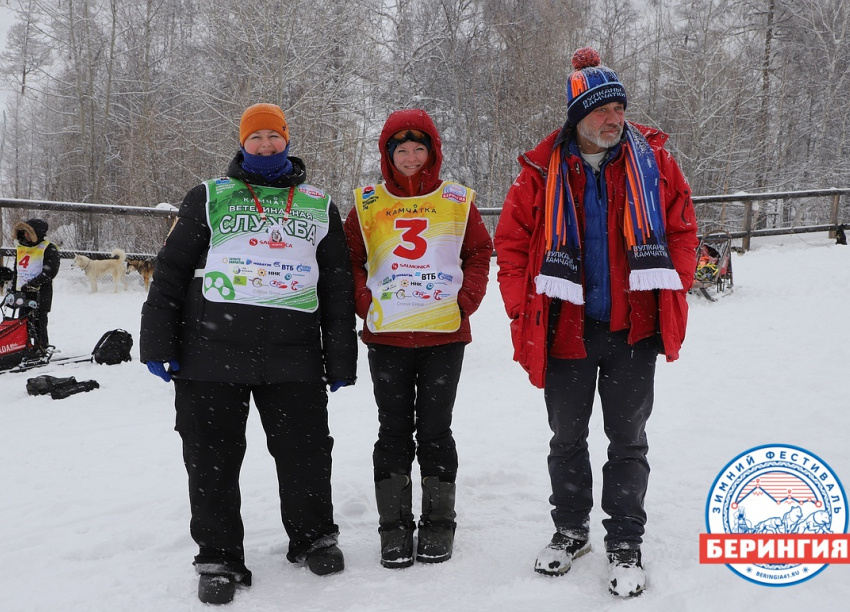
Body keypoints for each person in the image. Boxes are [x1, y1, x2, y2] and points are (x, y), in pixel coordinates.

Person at [493, 48, 698, 598]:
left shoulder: (653, 163)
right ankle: (570, 529)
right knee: (566, 438)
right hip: (565, 330)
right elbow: (510, 247)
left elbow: (682, 227)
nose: (614, 119)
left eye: (620, 108)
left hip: (633, 329)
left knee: (627, 439)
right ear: (577, 116)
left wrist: (673, 278)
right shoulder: (541, 172)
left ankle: (625, 539)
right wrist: (520, 305)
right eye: (602, 110)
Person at [139, 103, 357, 605]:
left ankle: (313, 536)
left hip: (294, 354)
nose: (264, 145)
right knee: (210, 457)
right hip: (210, 353)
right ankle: (218, 556)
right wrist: (157, 342)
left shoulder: (318, 203)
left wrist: (340, 357)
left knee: (304, 452)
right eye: (255, 137)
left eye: (273, 137)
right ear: (241, 143)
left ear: (287, 140)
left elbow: (339, 287)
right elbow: (170, 272)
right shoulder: (208, 197)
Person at [344, 109, 492, 568]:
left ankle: (438, 523)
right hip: (387, 336)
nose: (410, 157)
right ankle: (393, 527)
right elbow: (348, 259)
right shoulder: (367, 202)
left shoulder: (457, 199)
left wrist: (466, 299)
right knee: (392, 430)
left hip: (442, 335)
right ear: (388, 155)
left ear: (433, 151)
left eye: (418, 148)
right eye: (400, 149)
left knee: (434, 429)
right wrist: (364, 302)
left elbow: (480, 252)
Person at [11, 218, 60, 356]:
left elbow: (50, 271)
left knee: (39, 321)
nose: (25, 235)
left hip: (40, 292)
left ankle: (41, 347)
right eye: (24, 232)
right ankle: (23, 346)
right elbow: (17, 269)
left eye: (28, 232)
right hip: (22, 292)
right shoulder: (21, 247)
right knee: (22, 322)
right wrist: (13, 288)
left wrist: (33, 284)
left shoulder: (48, 248)